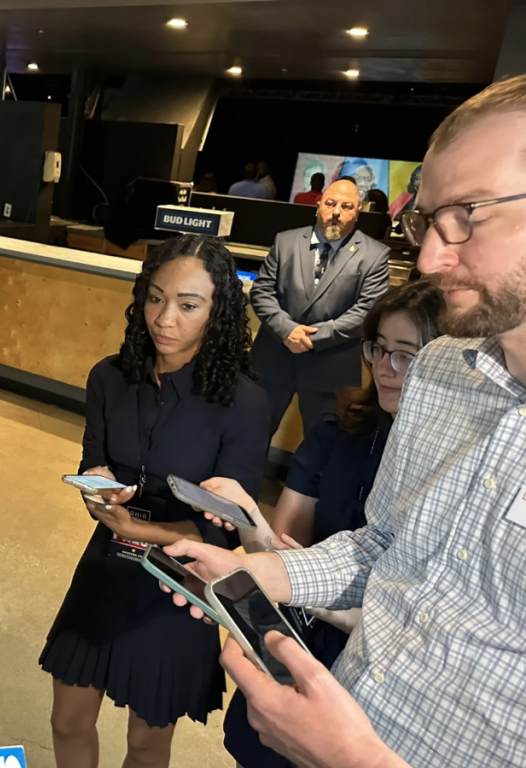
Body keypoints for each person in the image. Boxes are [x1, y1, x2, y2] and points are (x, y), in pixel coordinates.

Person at [164, 73, 526, 767]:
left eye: (468, 215)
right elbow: (380, 548)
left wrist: (353, 758)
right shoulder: (444, 370)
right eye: (426, 222)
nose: (427, 258)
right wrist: (260, 573)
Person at [40, 235, 269, 768]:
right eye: (155, 299)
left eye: (188, 305)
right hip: (106, 566)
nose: (165, 319)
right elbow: (92, 461)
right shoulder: (109, 376)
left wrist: (141, 530)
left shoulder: (243, 402)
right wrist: (96, 488)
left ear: (219, 312)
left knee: (146, 743)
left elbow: (226, 532)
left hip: (180, 582)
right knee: (67, 720)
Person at [203, 281, 443, 768]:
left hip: (381, 669)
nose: (384, 368)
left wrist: (337, 603)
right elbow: (283, 554)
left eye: (406, 356)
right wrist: (249, 517)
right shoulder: (339, 433)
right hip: (304, 640)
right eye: (378, 349)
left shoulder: (455, 466)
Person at [249, 179, 391, 440]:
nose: (336, 211)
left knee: (325, 448)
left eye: (346, 206)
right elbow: (261, 292)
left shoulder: (375, 255)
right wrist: (287, 330)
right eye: (330, 203)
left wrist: (310, 338)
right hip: (274, 360)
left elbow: (367, 312)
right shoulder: (285, 242)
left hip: (330, 367)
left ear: (357, 212)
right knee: (250, 437)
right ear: (318, 206)